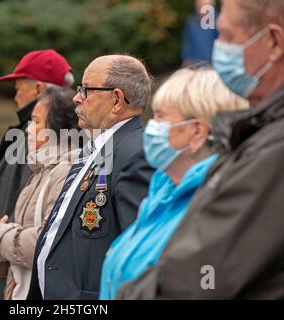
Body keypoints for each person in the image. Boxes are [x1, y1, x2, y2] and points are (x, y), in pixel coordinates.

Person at [116, 0, 284, 299]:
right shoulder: (258, 133)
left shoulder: (272, 149)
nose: (218, 49)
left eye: (228, 37)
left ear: (273, 42)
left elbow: (194, 279)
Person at [99, 66, 248, 300]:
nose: (151, 128)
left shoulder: (217, 203)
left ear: (197, 131)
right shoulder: (162, 191)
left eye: (161, 117)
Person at [28, 54, 154, 300]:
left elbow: (138, 256)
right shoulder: (98, 147)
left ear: (117, 99)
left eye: (86, 90)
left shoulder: (134, 153)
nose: (76, 97)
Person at [0, 49, 74, 300]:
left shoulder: (38, 146)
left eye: (19, 86)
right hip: (4, 271)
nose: (15, 95)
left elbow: (32, 224)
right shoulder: (30, 140)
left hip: (9, 280)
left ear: (38, 88)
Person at [0, 87, 81, 300]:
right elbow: (15, 264)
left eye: (36, 121)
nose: (28, 130)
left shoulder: (65, 172)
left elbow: (47, 243)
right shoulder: (38, 172)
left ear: (58, 129)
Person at [182, 0, 219, 65]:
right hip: (194, 65)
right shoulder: (191, 22)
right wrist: (187, 58)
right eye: (200, 5)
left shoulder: (218, 22)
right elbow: (187, 42)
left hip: (212, 65)